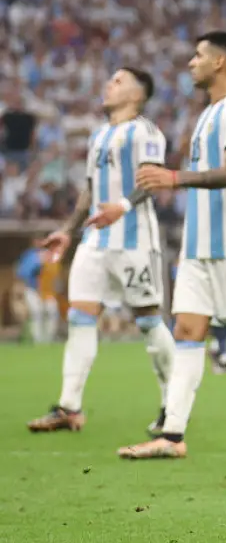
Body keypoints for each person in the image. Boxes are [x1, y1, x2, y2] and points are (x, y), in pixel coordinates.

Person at [114, 31, 226, 460]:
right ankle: (172, 436)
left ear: (220, 63)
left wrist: (174, 178)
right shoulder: (207, 114)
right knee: (187, 331)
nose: (190, 63)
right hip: (198, 249)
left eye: (197, 55)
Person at [27, 68, 176, 435]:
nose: (109, 84)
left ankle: (173, 404)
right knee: (80, 318)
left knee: (147, 320)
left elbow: (152, 179)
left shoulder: (146, 131)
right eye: (109, 79)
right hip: (95, 241)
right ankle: (69, 407)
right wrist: (68, 230)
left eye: (119, 81)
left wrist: (122, 206)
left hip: (135, 239)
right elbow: (90, 190)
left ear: (138, 95)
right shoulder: (99, 136)